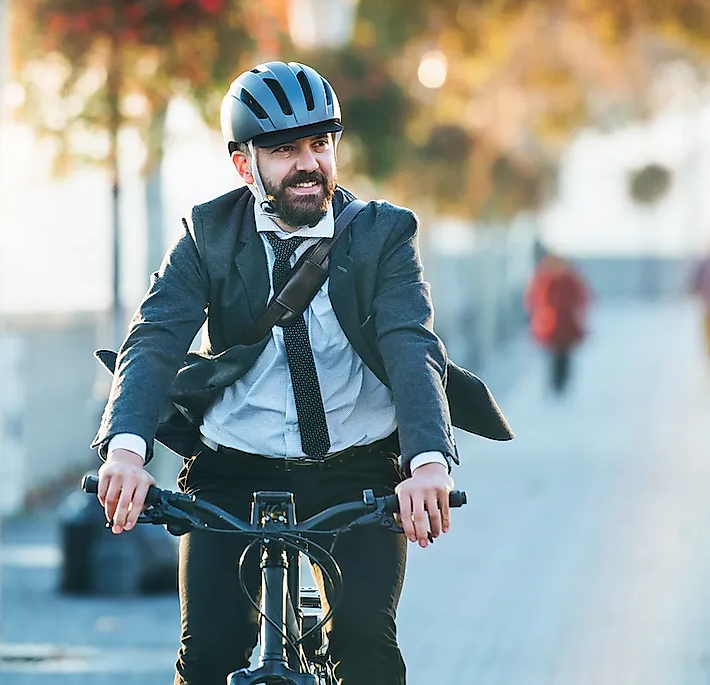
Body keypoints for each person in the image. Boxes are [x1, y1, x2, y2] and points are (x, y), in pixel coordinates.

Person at [91, 61, 508, 685]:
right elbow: (153, 339)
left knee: (367, 649)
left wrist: (427, 465)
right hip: (232, 467)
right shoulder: (209, 235)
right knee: (207, 656)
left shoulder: (382, 234)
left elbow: (410, 344)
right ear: (244, 164)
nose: (309, 164)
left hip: (357, 467)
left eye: (320, 144)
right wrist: (125, 453)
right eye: (285, 151)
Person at [524, 252, 591, 395]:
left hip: (565, 325)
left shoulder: (569, 281)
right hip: (549, 325)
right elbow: (534, 300)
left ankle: (562, 383)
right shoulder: (544, 280)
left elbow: (581, 300)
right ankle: (555, 383)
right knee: (553, 356)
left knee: (564, 356)